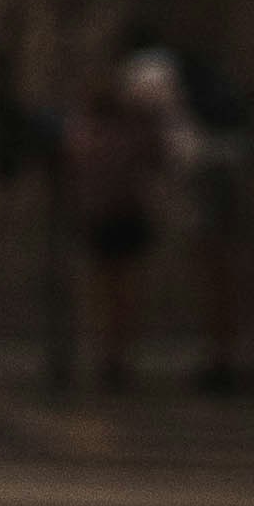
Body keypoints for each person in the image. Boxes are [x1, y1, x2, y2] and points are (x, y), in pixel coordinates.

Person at [65, 36, 187, 388]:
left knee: (122, 287)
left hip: (123, 211)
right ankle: (109, 353)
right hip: (104, 212)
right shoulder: (89, 126)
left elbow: (156, 156)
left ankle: (117, 353)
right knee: (106, 287)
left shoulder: (127, 123)